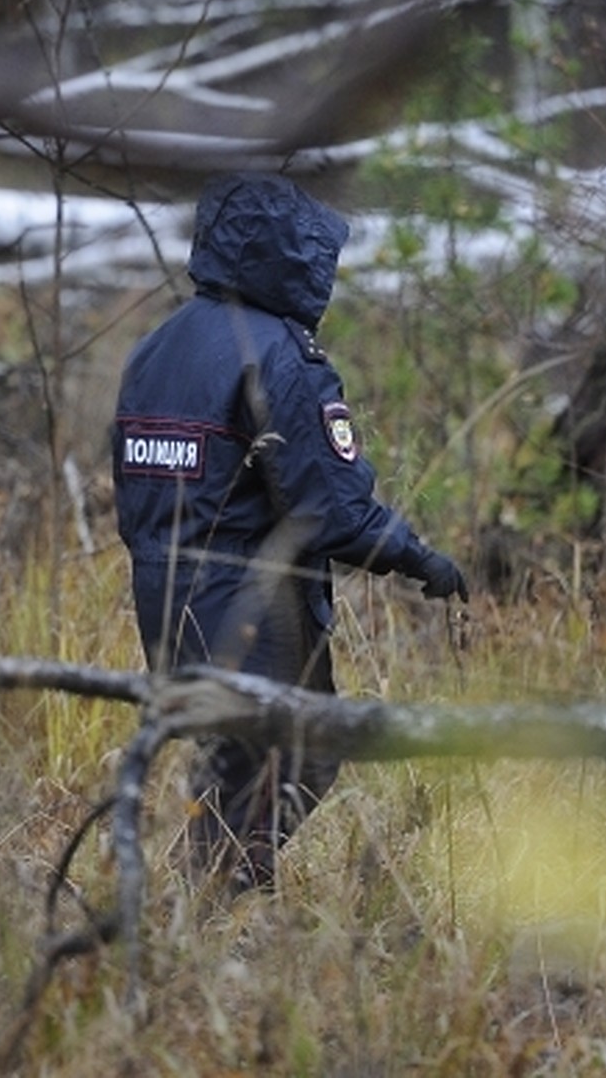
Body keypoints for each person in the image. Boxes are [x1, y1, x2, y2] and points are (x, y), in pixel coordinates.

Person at [112, 171, 468, 893]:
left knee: (236, 759)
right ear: (294, 252)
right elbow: (331, 509)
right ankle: (211, 911)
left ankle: (204, 914)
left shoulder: (155, 349)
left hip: (162, 597)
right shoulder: (280, 356)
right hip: (251, 604)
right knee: (300, 751)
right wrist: (419, 558)